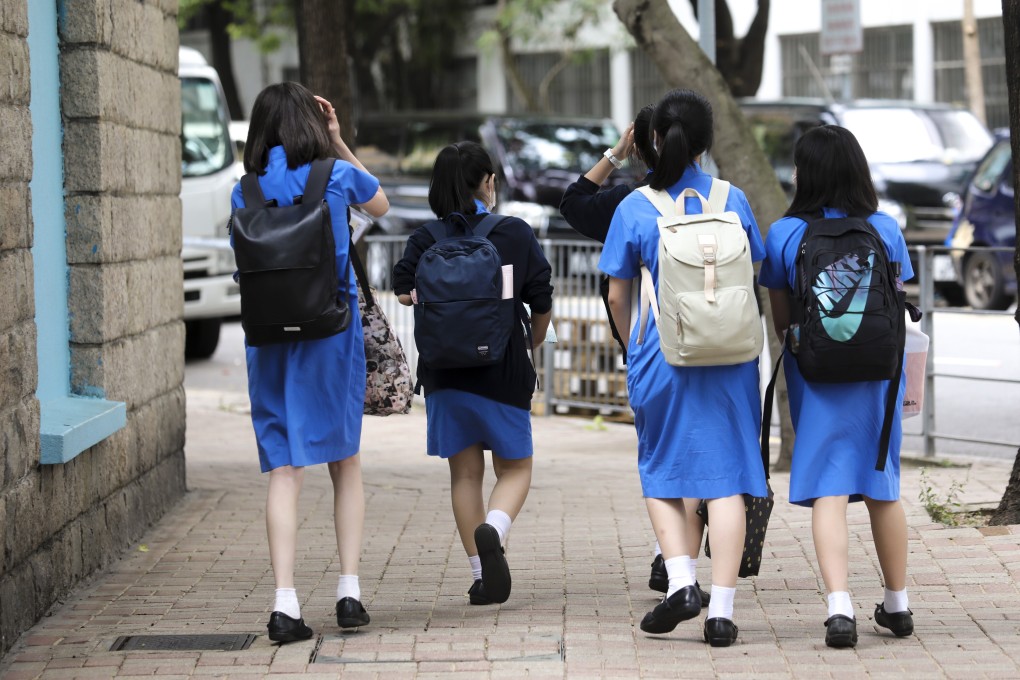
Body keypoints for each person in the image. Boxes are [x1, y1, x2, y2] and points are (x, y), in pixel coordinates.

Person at [600, 89, 768, 646]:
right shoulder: (732, 198)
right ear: (705, 141)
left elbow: (617, 295)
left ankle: (680, 582)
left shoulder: (635, 207)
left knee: (663, 471)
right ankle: (721, 613)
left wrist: (633, 345)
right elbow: (753, 269)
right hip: (732, 357)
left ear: (654, 138)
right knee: (728, 479)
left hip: (662, 354)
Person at [231, 82, 389, 643]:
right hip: (329, 335)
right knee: (345, 462)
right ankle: (349, 594)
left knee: (284, 469)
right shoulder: (336, 175)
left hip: (268, 342)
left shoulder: (244, 190)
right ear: (310, 124)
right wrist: (338, 141)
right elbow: (380, 205)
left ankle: (284, 605)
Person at [758, 124, 914, 649]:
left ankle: (840, 608)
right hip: (878, 374)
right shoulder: (884, 227)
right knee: (880, 486)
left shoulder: (785, 234)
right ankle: (898, 605)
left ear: (807, 174)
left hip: (817, 372)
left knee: (830, 486)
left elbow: (782, 319)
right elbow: (896, 299)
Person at [559, 105, 711, 605]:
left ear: (644, 146)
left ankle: (673, 561)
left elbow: (573, 202)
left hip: (654, 347)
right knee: (702, 455)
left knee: (663, 454)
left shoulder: (629, 202)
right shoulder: (722, 198)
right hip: (717, 346)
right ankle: (674, 557)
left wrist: (614, 154)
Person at [392, 141, 553, 606]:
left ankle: (483, 576)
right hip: (502, 367)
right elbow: (541, 299)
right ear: (488, 182)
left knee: (464, 475)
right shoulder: (514, 233)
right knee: (515, 468)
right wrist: (530, 341)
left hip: (444, 373)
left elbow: (402, 291)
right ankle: (494, 530)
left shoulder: (425, 238)